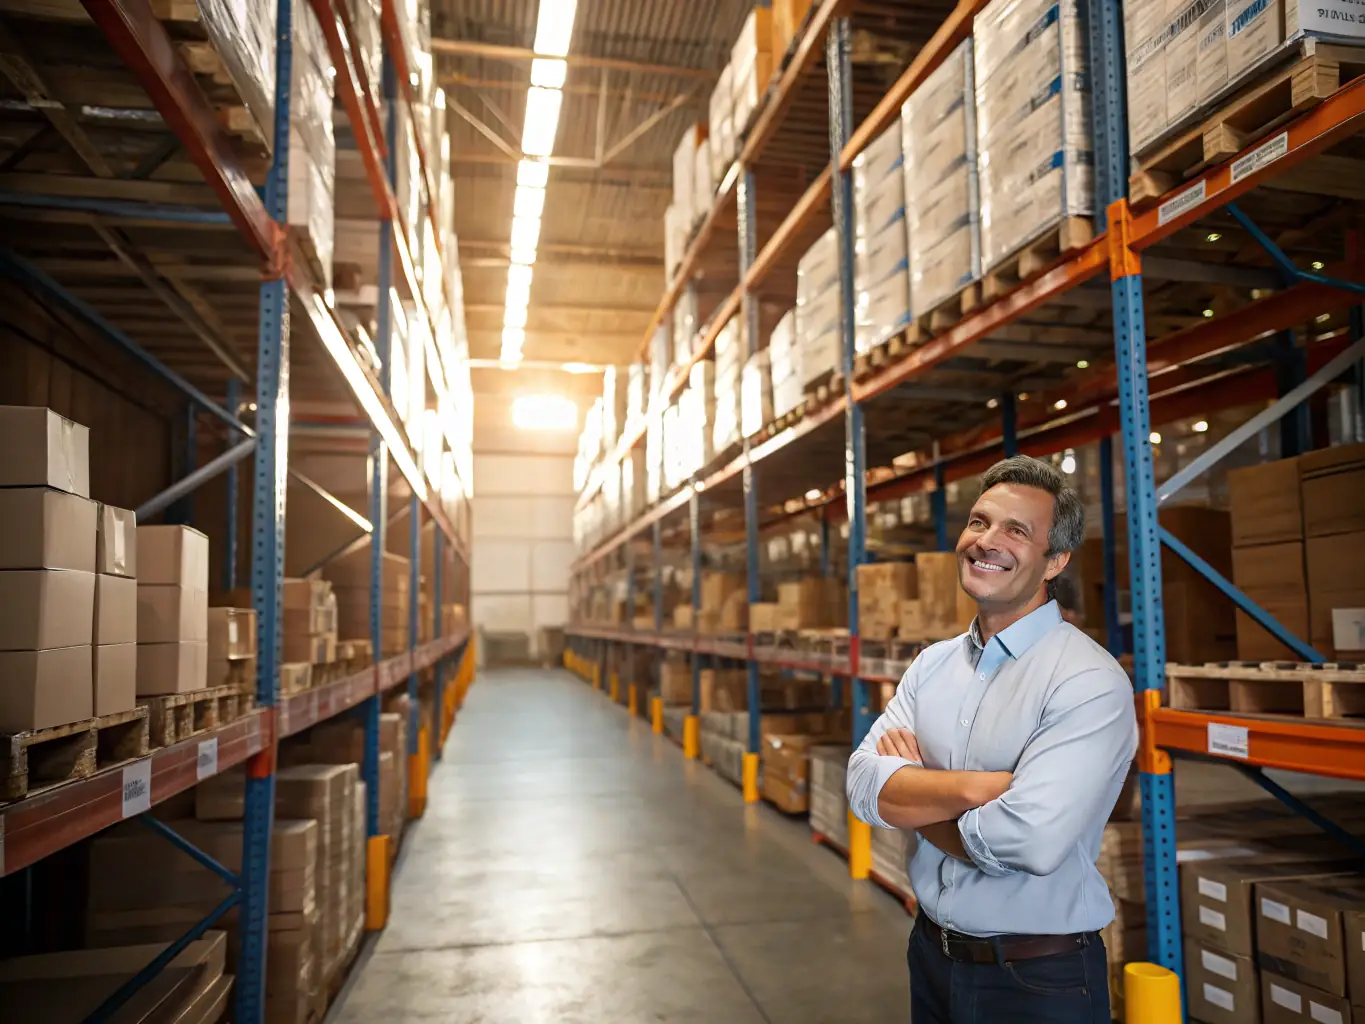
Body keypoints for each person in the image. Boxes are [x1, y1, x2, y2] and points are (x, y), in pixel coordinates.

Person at [846, 455, 1137, 1023]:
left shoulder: (1088, 681)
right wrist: (982, 789)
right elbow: (861, 783)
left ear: (1055, 561)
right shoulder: (931, 666)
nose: (987, 541)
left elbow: (1027, 841)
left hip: (1036, 979)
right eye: (980, 522)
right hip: (931, 955)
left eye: (1016, 530)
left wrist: (913, 799)